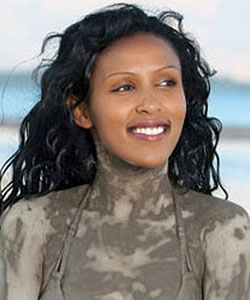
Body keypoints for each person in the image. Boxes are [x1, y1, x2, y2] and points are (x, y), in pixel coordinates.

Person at [0, 3, 249, 300]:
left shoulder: (221, 229)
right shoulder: (32, 224)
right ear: (81, 111)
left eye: (167, 82)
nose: (151, 103)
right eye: (124, 87)